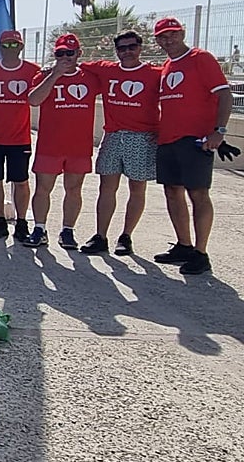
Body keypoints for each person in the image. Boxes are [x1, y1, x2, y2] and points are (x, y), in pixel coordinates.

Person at [152, 17, 231, 275]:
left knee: (198, 194)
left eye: (173, 34)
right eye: (163, 36)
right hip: (168, 139)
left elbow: (224, 95)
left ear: (182, 33)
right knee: (172, 192)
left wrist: (219, 131)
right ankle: (184, 245)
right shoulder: (166, 66)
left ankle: (201, 252)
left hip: (196, 140)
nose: (168, 40)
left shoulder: (201, 58)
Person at [78, 30, 161, 255]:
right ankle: (100, 236)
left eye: (131, 47)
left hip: (142, 137)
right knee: (107, 187)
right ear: (116, 51)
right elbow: (78, 65)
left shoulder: (155, 73)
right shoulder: (107, 70)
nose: (127, 52)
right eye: (122, 48)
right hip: (113, 136)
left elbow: (175, 101)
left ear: (140, 47)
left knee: (137, 188)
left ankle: (126, 236)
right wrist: (50, 68)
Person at [24, 34, 99, 250]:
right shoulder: (45, 76)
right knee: (42, 188)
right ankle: (39, 228)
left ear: (78, 54)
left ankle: (68, 230)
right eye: (60, 53)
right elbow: (33, 100)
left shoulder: (91, 77)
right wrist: (55, 75)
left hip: (79, 147)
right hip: (50, 145)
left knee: (74, 189)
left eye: (70, 53)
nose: (65, 57)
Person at [0, 29, 41, 241]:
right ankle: (0, 222)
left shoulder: (33, 71)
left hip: (19, 139)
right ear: (0, 47)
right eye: (6, 45)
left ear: (21, 46)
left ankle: (21, 223)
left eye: (14, 44)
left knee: (21, 181)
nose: (10, 48)